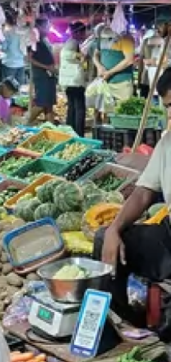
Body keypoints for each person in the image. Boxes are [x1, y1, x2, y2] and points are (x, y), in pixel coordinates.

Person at [96, 68, 171, 317]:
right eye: (169, 106)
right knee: (105, 240)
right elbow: (142, 194)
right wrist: (114, 229)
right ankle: (120, 320)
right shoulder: (167, 143)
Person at [93, 26, 136, 120]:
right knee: (106, 114)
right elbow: (95, 55)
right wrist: (99, 66)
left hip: (122, 83)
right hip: (105, 83)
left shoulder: (126, 39)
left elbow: (129, 60)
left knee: (124, 114)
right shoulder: (102, 38)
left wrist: (110, 72)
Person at [60, 22, 89, 137]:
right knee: (80, 108)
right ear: (78, 32)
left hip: (67, 82)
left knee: (72, 108)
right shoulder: (74, 43)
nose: (84, 35)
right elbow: (79, 59)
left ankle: (70, 132)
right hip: (75, 81)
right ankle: (79, 134)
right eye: (83, 32)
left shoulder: (68, 43)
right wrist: (84, 57)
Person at [29, 17, 59, 125]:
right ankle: (26, 123)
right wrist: (46, 67)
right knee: (41, 103)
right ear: (39, 27)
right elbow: (30, 59)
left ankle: (51, 128)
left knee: (49, 105)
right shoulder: (34, 41)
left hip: (49, 76)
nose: (48, 29)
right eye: (46, 26)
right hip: (42, 76)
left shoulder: (45, 40)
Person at [1, 19, 28, 86]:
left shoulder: (7, 32)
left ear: (7, 22)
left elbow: (3, 48)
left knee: (8, 87)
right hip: (21, 63)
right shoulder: (23, 31)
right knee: (19, 86)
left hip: (10, 63)